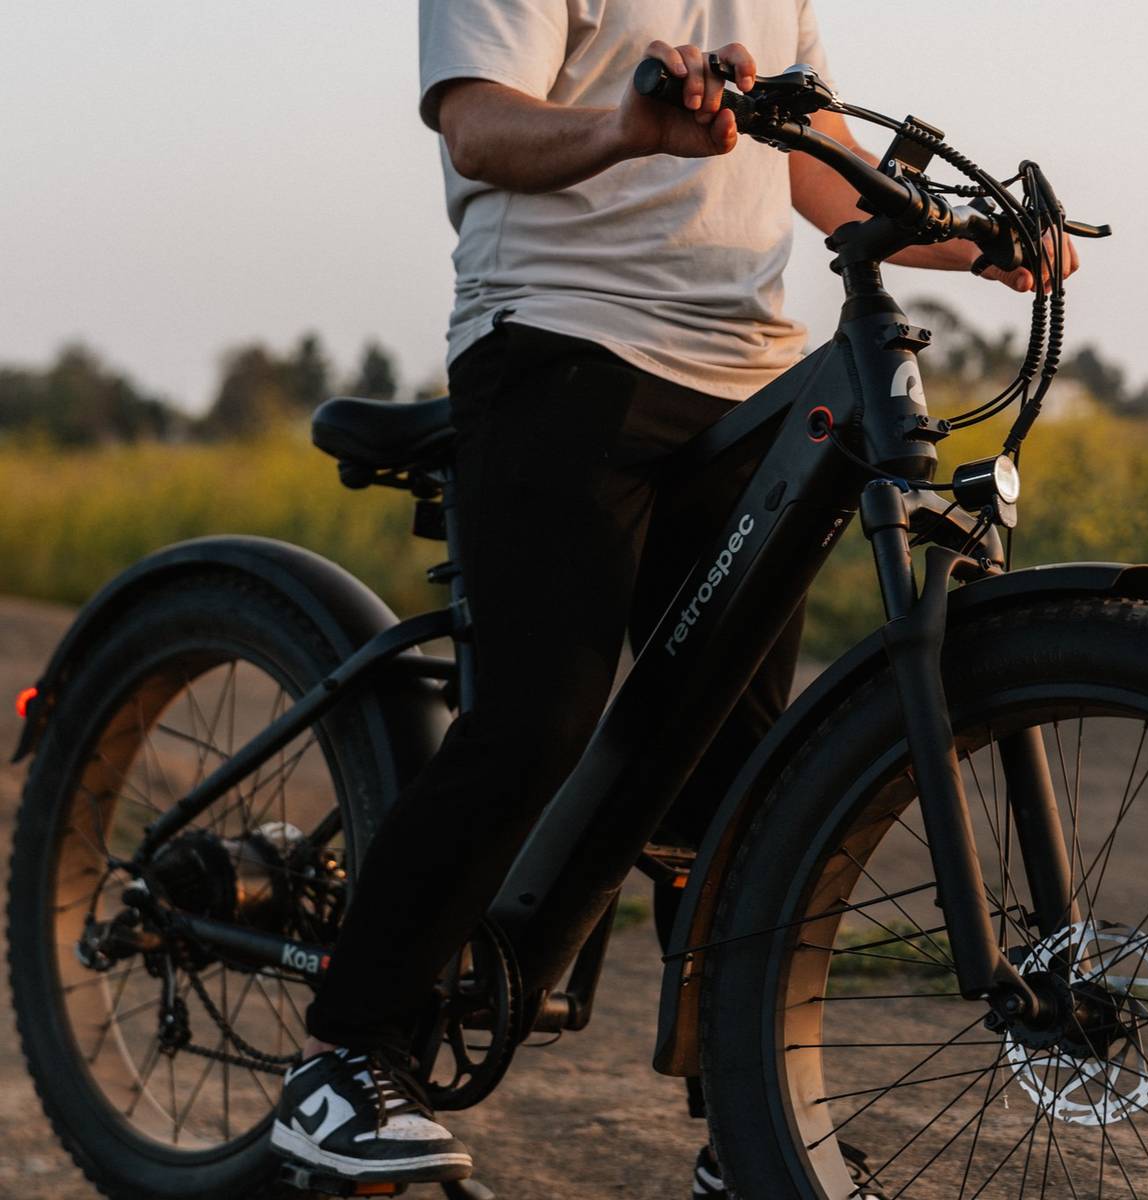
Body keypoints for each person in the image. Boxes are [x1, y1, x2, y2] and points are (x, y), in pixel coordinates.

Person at [271, 2, 1077, 1192]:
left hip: (745, 378)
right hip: (559, 346)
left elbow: (815, 166)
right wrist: (627, 128)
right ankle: (343, 1057)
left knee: (742, 769)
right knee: (541, 717)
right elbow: (480, 128)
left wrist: (975, 243)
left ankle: (748, 1127)